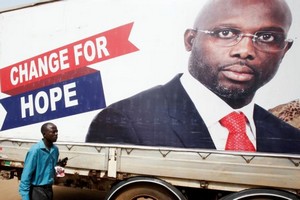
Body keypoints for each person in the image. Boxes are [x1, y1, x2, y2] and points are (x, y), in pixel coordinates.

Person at [86, 0, 300, 154]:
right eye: (226, 33)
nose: (245, 50)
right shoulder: (124, 122)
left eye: (267, 37)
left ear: (285, 50)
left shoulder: (291, 140)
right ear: (190, 40)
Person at [19, 122, 59, 200]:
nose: (56, 134)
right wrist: (25, 197)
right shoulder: (35, 150)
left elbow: (51, 168)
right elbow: (26, 176)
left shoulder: (55, 150)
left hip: (49, 190)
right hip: (37, 191)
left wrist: (59, 166)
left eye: (57, 131)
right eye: (53, 132)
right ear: (44, 134)